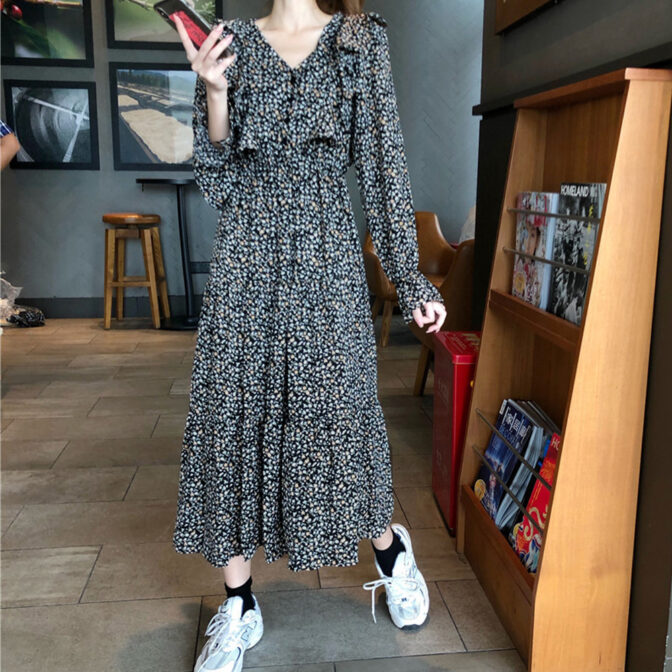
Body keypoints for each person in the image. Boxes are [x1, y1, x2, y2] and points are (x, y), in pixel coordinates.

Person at [172, 2, 447, 670]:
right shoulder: (232, 42)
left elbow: (383, 165)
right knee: (232, 417)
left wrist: (408, 276)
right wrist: (214, 91)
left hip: (327, 259)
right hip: (246, 258)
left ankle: (391, 551)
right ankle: (238, 603)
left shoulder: (359, 40)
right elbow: (217, 179)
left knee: (339, 418)